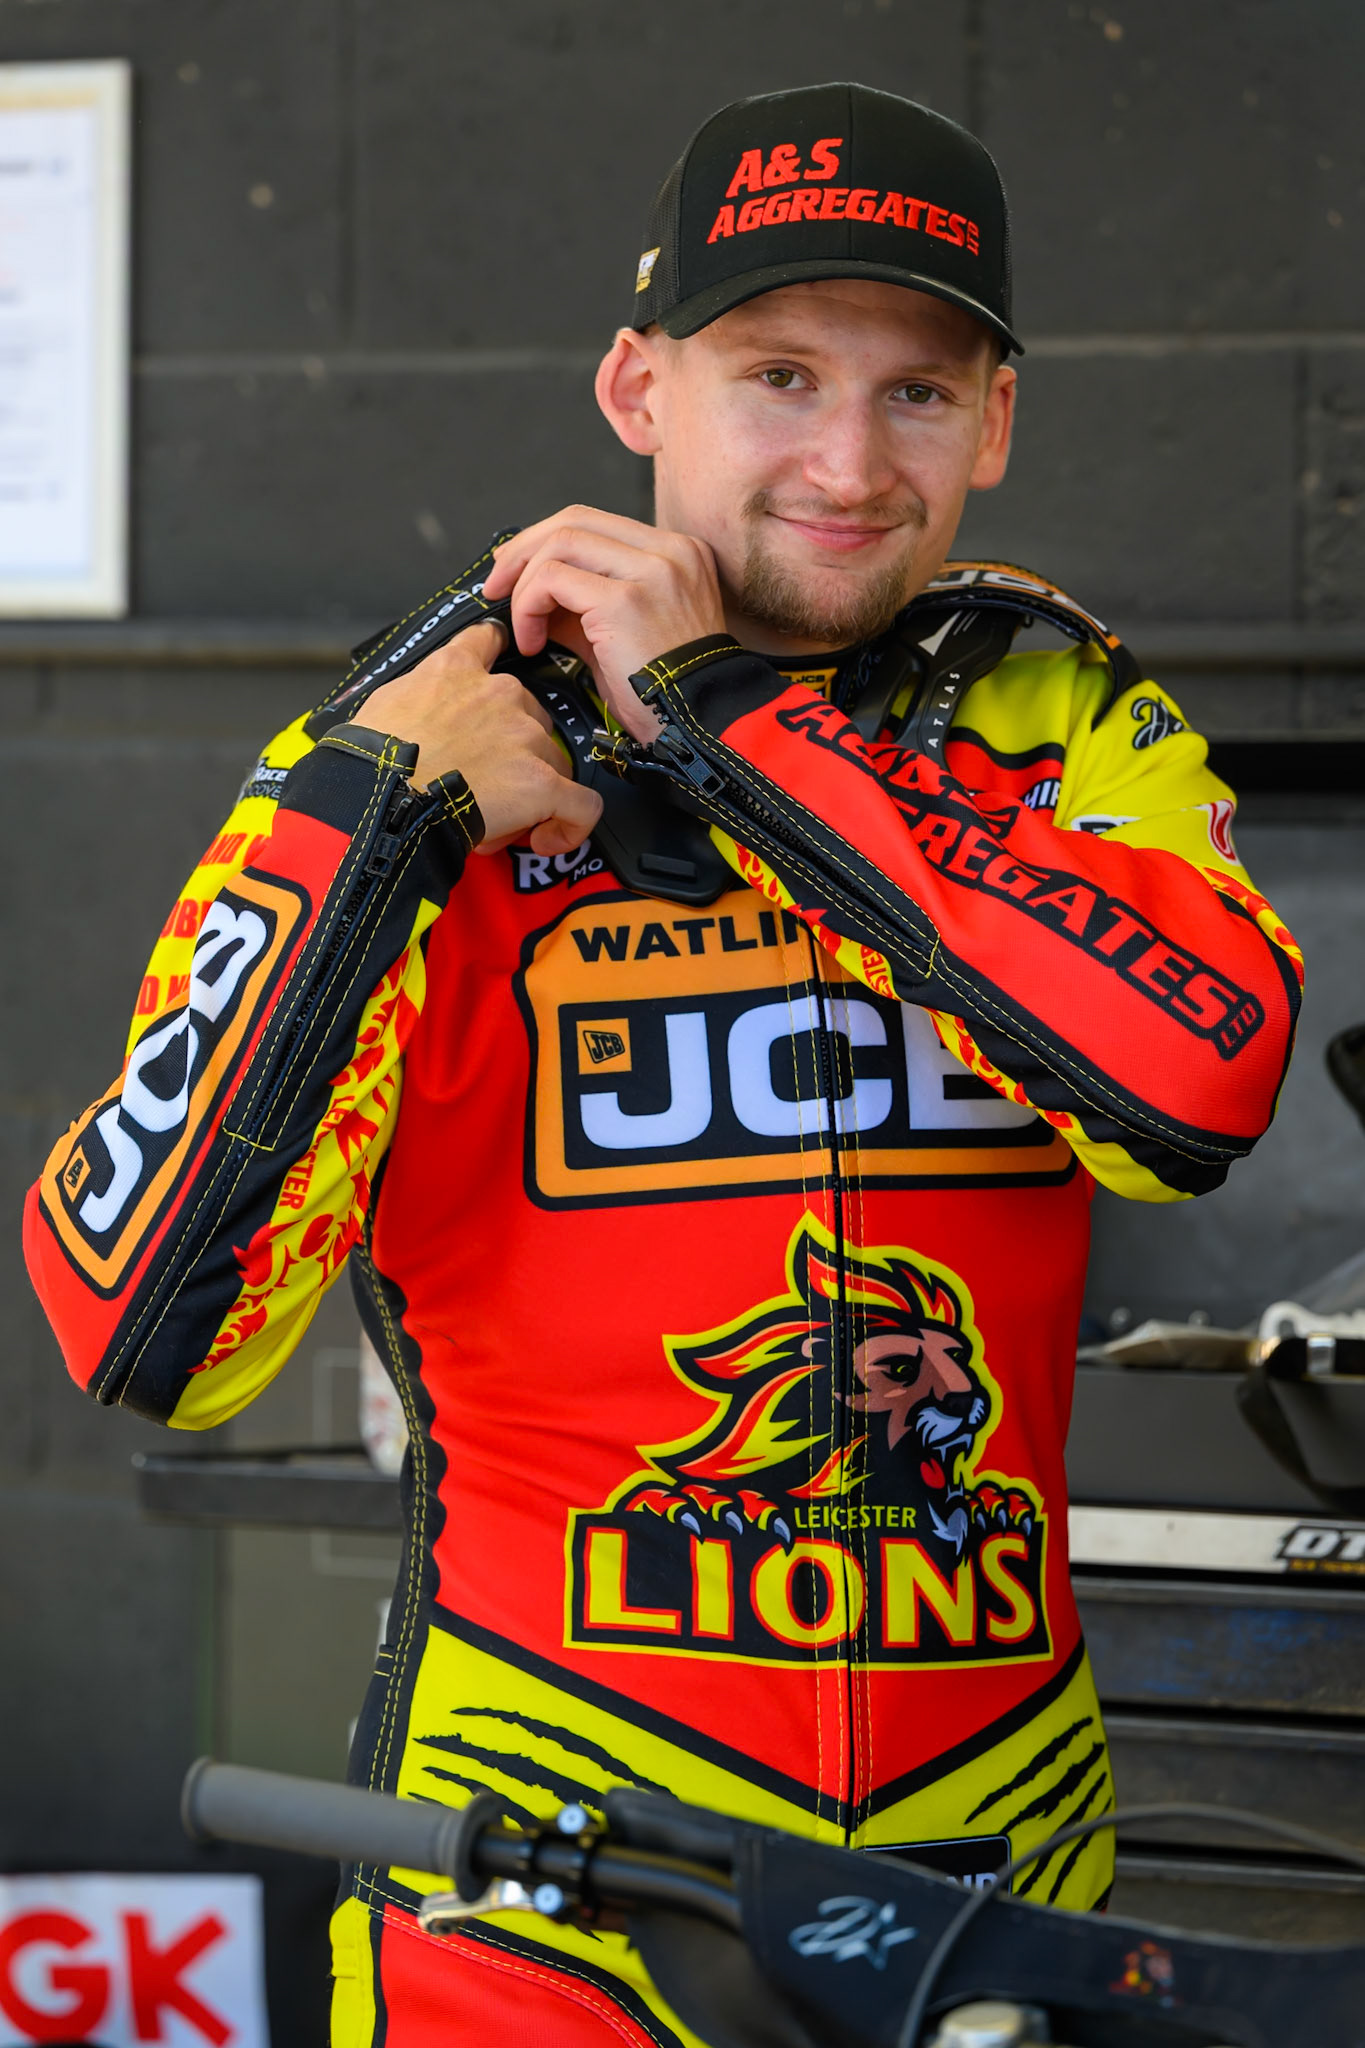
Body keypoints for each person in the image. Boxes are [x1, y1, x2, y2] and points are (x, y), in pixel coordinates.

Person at [26, 82, 1301, 2046]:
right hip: (538, 1880)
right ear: (639, 388)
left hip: (994, 1878)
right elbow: (146, 1332)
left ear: (995, 423)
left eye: (915, 393)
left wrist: (728, 723)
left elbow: (1188, 1090)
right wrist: (384, 832)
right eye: (776, 374)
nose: (845, 461)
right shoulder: (419, 737)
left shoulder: (1054, 717)